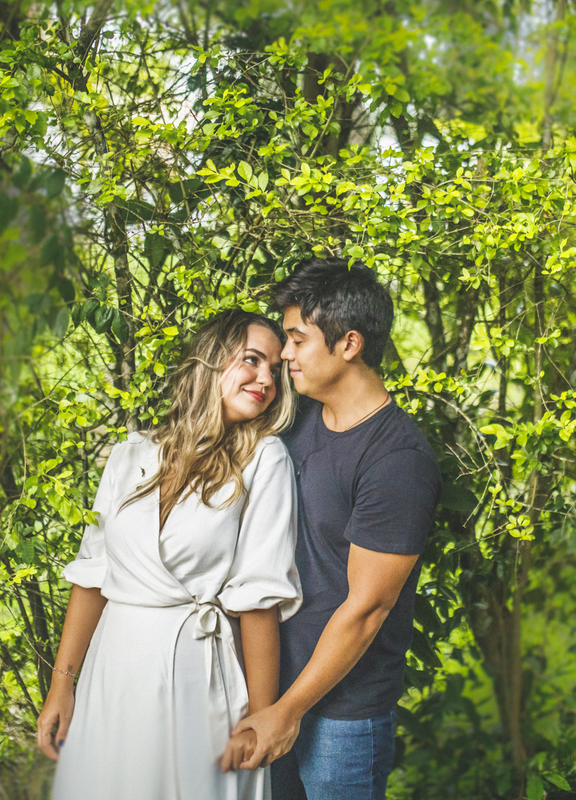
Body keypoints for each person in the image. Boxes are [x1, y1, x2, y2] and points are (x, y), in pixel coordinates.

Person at [37, 308, 303, 800]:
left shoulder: (265, 459)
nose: (267, 379)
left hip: (196, 674)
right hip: (112, 671)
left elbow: (259, 597)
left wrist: (260, 717)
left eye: (275, 369)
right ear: (211, 360)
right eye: (252, 360)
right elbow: (93, 575)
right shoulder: (130, 455)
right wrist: (62, 686)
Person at [224, 258, 443, 800]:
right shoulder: (293, 420)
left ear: (349, 344)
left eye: (297, 340)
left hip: (340, 715)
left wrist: (288, 711)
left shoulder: (398, 459)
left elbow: (367, 609)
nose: (286, 354)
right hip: (265, 693)